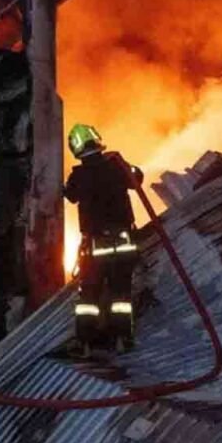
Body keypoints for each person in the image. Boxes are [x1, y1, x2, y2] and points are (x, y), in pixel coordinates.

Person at [64, 124, 143, 351]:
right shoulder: (116, 166)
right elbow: (136, 179)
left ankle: (85, 343)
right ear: (97, 141)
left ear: (76, 148)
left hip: (95, 247)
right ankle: (122, 340)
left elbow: (71, 195)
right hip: (123, 243)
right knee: (120, 295)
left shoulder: (78, 176)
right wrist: (130, 166)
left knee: (89, 298)